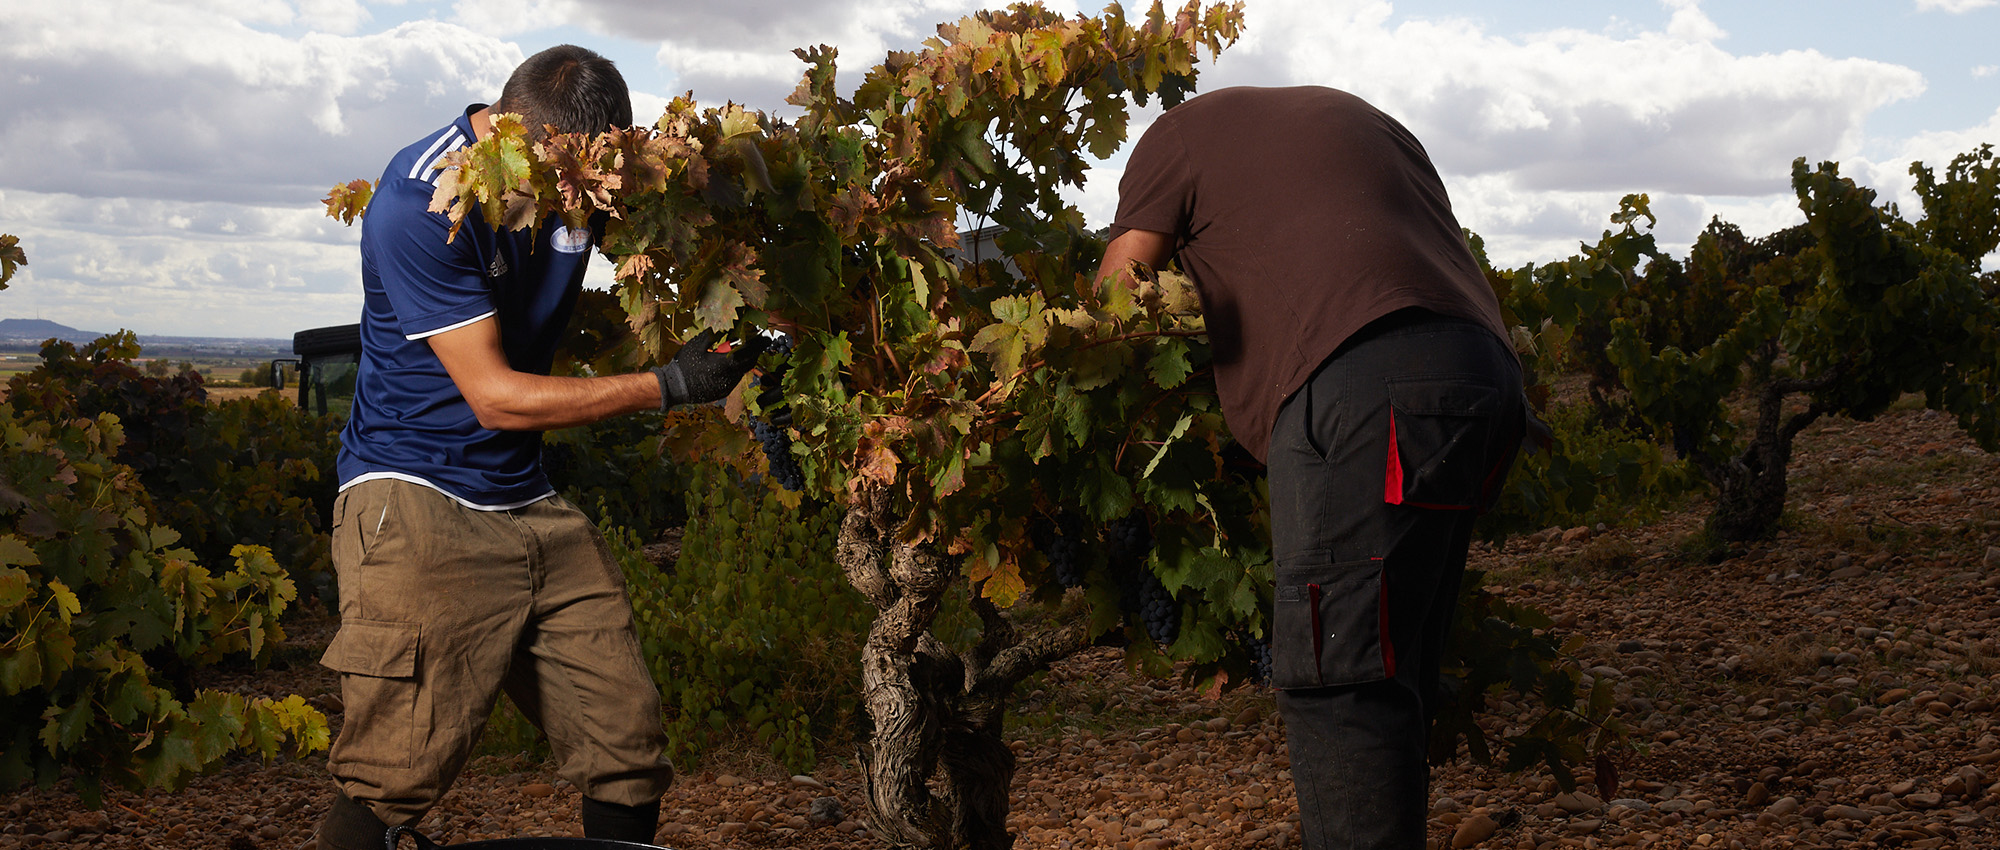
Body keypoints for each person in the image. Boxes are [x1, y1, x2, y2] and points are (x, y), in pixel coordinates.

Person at [310, 45, 766, 850]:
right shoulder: (418, 202)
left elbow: (689, 223)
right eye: (574, 186)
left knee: (624, 740)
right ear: (537, 141)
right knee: (395, 773)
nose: (582, 204)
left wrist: (756, 307)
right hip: (416, 495)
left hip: (523, 497)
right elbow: (494, 396)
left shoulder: (585, 174)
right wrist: (668, 385)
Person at [1096, 86, 1526, 849]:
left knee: (1340, 683)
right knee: (1396, 672)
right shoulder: (1369, 122)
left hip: (1361, 385)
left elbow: (1117, 297)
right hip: (1480, 377)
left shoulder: (1173, 138)